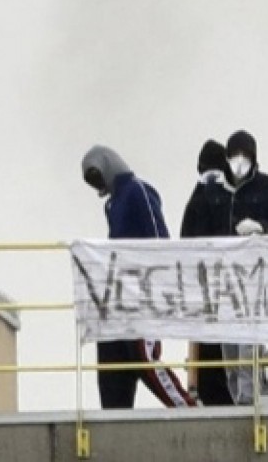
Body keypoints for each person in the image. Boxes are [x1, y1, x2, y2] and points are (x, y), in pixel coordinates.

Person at [81, 145, 196, 409]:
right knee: (113, 364)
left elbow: (158, 237)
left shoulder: (137, 190)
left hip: (144, 292)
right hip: (120, 296)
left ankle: (184, 406)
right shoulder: (112, 204)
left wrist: (157, 279)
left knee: (144, 357)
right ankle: (114, 420)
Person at [215, 130, 268, 404]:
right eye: (235, 155)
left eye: (245, 156)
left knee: (249, 352)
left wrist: (263, 228)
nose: (239, 161)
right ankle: (238, 401)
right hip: (223, 285)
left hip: (256, 284)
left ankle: (248, 404)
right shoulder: (214, 192)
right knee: (229, 356)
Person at [180, 139, 236, 406]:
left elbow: (185, 240)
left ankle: (204, 393)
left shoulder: (196, 197)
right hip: (231, 292)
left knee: (207, 354)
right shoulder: (231, 195)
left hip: (202, 295)